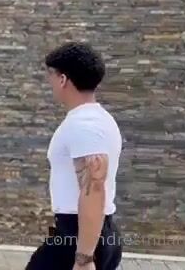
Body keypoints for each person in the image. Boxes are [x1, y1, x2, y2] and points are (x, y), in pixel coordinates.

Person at [26, 42, 123, 270]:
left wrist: (84, 258)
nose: (50, 82)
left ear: (63, 79)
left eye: (51, 75)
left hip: (79, 239)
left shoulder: (85, 124)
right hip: (88, 234)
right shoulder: (96, 118)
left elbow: (94, 188)